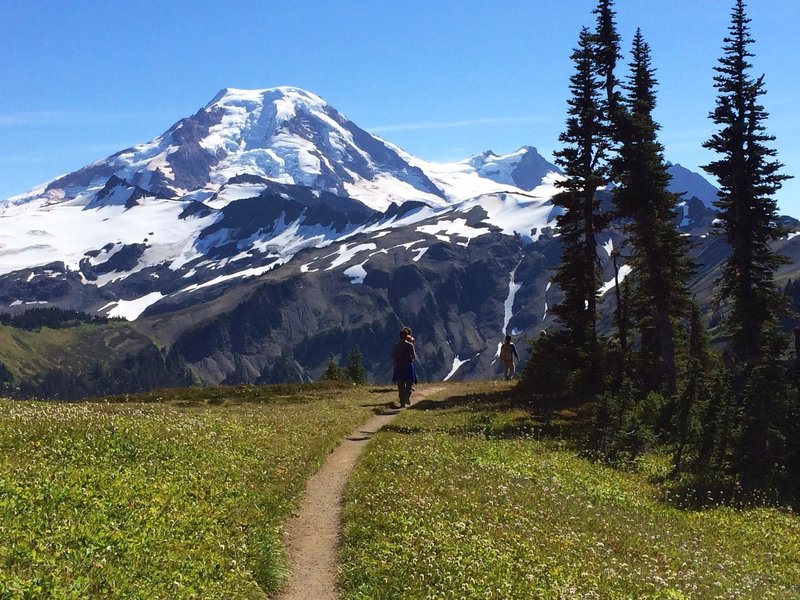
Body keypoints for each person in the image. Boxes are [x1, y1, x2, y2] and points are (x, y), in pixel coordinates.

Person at [391, 327, 417, 407]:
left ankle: (402, 401)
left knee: (400, 383)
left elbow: (394, 356)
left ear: (400, 336)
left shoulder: (396, 345)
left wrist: (395, 364)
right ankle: (406, 396)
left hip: (399, 365)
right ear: (407, 336)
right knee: (409, 382)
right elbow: (414, 356)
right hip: (408, 365)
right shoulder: (410, 345)